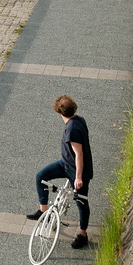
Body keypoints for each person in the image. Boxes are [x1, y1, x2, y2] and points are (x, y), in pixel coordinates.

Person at [28, 95, 93, 250]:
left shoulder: (72, 129)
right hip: (65, 164)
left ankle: (83, 234)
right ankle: (44, 213)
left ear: (59, 112)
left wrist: (78, 177)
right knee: (40, 176)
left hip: (77, 170)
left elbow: (79, 154)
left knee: (81, 202)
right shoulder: (78, 120)